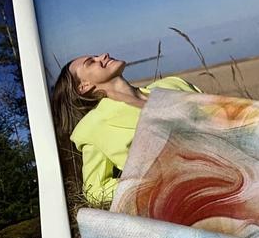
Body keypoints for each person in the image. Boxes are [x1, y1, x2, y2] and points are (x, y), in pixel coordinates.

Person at [51, 53, 199, 206]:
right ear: (84, 86)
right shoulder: (93, 128)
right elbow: (95, 190)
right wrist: (149, 183)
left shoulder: (174, 84)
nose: (103, 55)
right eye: (91, 62)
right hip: (191, 195)